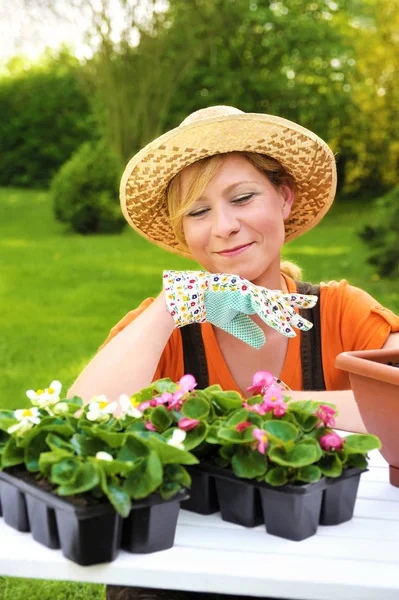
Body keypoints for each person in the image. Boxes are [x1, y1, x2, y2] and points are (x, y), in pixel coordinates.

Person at [67, 105, 399, 600]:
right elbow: (80, 416)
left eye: (242, 198)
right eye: (198, 213)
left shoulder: (338, 310)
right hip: (185, 565)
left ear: (284, 199)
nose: (224, 226)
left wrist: (275, 407)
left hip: (324, 558)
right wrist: (171, 305)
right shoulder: (163, 328)